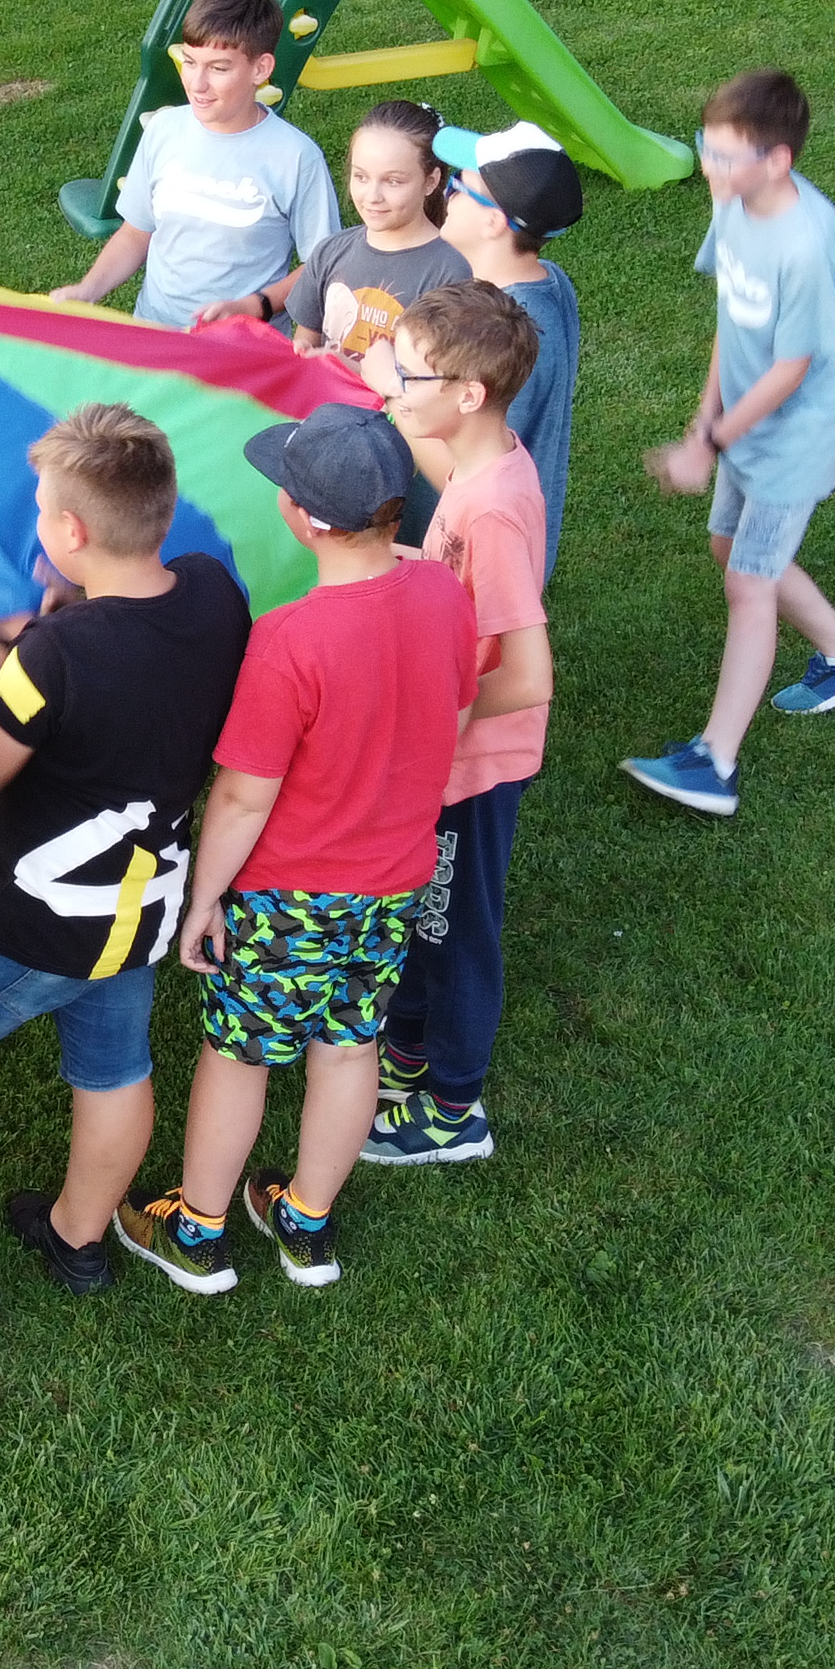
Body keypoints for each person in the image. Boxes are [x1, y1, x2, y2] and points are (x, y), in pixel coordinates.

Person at [0, 406, 250, 1317]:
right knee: (113, 1069)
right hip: (145, 904)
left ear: (70, 533)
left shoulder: (53, 655)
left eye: (42, 511)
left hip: (33, 922)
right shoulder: (214, 592)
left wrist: (1, 639)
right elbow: (138, 655)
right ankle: (78, 1238)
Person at [120, 406, 474, 1294]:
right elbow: (457, 706)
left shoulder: (289, 641)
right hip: (394, 882)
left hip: (290, 898)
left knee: (240, 1054)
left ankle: (198, 1231)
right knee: (351, 1047)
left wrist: (205, 900)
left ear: (304, 518)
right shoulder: (444, 594)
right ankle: (306, 1224)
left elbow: (243, 795)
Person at [622, 69, 835, 819]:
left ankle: (715, 762)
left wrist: (710, 442)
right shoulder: (734, 203)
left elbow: (790, 368)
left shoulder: (805, 245)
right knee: (728, 550)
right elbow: (731, 319)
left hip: (795, 437)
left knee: (748, 584)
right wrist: (704, 420)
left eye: (724, 155)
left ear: (777, 161)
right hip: (744, 422)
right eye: (705, 147)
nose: (708, 165)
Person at [364, 286, 554, 1167]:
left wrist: (435, 723)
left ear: (468, 394)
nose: (394, 385)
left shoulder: (493, 508)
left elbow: (530, 674)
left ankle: (453, 1107)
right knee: (423, 912)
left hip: (475, 764)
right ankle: (406, 1047)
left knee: (454, 926)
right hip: (451, 752)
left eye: (409, 375)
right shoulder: (477, 468)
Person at [56, 0, 335, 333]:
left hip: (244, 348)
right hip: (156, 336)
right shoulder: (163, 130)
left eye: (218, 68)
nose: (197, 84)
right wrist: (88, 291)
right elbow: (136, 233)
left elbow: (322, 265)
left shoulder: (296, 157)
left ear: (260, 69)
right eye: (190, 62)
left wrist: (255, 306)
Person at [431, 122, 587, 576]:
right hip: (511, 537)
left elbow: (470, 474)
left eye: (458, 185)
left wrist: (394, 396)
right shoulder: (550, 281)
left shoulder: (509, 328)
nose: (447, 194)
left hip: (485, 553)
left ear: (493, 222)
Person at [254, 99, 468, 356]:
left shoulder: (452, 271)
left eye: (393, 181)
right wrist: (302, 351)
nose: (372, 196)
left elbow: (443, 373)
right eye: (361, 177)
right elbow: (305, 340)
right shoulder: (330, 252)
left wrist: (345, 365)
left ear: (431, 181)